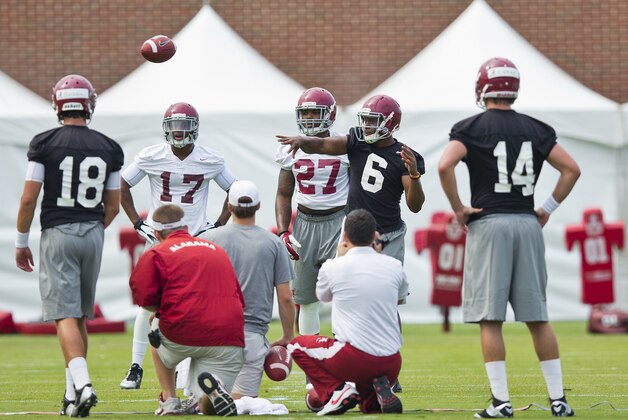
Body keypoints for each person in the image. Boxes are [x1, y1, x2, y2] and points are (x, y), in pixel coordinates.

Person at [438, 57, 580, 418]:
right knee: (537, 317)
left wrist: (458, 206)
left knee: (490, 318)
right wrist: (546, 207)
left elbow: (444, 165)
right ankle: (559, 400)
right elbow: (571, 169)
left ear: (483, 87)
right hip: (527, 223)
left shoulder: (469, 127)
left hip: (490, 223)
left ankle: (501, 403)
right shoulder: (536, 128)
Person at [15, 74, 124, 417]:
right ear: (89, 104)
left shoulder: (45, 143)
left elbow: (29, 199)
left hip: (58, 233)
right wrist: (91, 228)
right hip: (93, 233)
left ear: (58, 105)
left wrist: (21, 242)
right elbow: (114, 206)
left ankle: (84, 385)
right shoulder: (109, 146)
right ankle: (70, 396)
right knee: (78, 316)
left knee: (62, 314)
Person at [119, 102, 237, 391]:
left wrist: (219, 223)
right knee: (148, 303)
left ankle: (185, 370)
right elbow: (120, 184)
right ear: (165, 128)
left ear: (194, 128)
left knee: (194, 303)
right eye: (173, 126)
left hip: (196, 238)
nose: (178, 131)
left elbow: (235, 189)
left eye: (184, 125)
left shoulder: (210, 159)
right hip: (162, 240)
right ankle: (136, 366)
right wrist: (137, 222)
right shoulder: (151, 156)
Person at [277, 94, 425, 265]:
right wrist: (304, 140)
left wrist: (414, 174)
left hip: (389, 232)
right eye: (365, 120)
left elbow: (415, 206)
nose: (366, 126)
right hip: (354, 231)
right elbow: (324, 145)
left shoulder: (404, 155)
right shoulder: (357, 141)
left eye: (372, 121)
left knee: (391, 288)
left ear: (391, 123)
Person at [287, 209, 408, 416]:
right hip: (392, 362)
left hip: (356, 359)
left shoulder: (333, 266)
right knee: (368, 407)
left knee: (296, 345)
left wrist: (339, 259)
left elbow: (322, 296)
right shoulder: (394, 265)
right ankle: (376, 390)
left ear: (344, 236)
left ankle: (337, 391)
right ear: (374, 236)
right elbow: (399, 294)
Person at [129, 204, 245, 416]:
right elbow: (238, 296)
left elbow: (144, 300)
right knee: (205, 404)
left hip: (181, 335)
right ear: (186, 227)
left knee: (153, 324)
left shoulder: (156, 252)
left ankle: (169, 399)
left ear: (155, 232)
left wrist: (160, 311)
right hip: (229, 337)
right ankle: (210, 393)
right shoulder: (216, 249)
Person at [200, 180, 295, 400]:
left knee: (203, 402)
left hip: (212, 335)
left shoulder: (208, 240)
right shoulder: (274, 243)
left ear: (229, 207)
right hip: (251, 338)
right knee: (244, 403)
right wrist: (288, 335)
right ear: (259, 206)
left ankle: (206, 399)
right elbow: (285, 297)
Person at [275, 87, 349, 337]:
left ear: (330, 114)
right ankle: (312, 369)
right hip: (305, 222)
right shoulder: (289, 148)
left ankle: (343, 358)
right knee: (306, 298)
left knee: (343, 293)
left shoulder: (344, 145)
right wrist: (284, 231)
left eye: (314, 113)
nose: (308, 119)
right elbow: (284, 194)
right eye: (304, 114)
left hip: (339, 221)